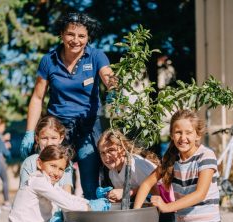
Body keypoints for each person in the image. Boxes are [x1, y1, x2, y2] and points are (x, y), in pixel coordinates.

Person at [19, 12, 115, 199]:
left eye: (82, 36)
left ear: (88, 38)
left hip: (88, 128)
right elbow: (37, 98)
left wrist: (113, 89)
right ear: (62, 34)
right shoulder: (49, 60)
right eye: (70, 34)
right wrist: (30, 132)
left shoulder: (96, 56)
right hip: (57, 129)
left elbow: (108, 76)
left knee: (90, 184)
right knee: (55, 179)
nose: (76, 40)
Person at [133, 109, 224, 222]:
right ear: (172, 135)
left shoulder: (206, 156)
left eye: (188, 132)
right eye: (178, 132)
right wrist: (134, 215)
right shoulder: (171, 158)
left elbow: (200, 194)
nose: (183, 138)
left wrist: (167, 207)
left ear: (197, 135)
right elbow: (147, 184)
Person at [8, 144, 111, 222]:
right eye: (53, 166)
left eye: (61, 169)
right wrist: (91, 207)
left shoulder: (49, 184)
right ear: (39, 163)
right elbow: (67, 204)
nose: (56, 172)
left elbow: (68, 197)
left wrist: (89, 202)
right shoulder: (38, 181)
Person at [20, 115, 79, 195]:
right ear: (37, 139)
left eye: (53, 138)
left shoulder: (65, 163)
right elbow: (24, 194)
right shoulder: (30, 163)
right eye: (44, 138)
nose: (49, 143)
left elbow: (66, 193)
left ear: (61, 139)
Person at [96, 129, 160, 203]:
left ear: (123, 149)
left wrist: (125, 193)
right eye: (102, 153)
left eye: (111, 150)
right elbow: (124, 198)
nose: (106, 156)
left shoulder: (136, 164)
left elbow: (154, 190)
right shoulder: (112, 173)